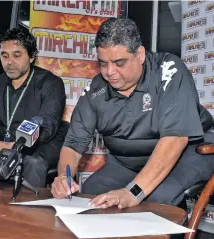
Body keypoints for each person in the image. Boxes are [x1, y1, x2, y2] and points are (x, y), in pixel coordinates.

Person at [51, 17, 214, 209]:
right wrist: (63, 177)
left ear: (141, 54)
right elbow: (72, 146)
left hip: (187, 154)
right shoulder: (96, 90)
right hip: (127, 164)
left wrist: (133, 191)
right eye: (103, 63)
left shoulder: (169, 70)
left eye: (119, 62)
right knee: (92, 192)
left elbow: (175, 139)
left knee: (156, 198)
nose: (110, 71)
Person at [0, 28, 67, 188]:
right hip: (4, 144)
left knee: (32, 162)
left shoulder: (51, 83)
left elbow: (47, 126)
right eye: (4, 56)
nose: (9, 62)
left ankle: (29, 211)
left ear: (32, 56)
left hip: (42, 143)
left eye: (17, 55)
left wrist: (13, 146)